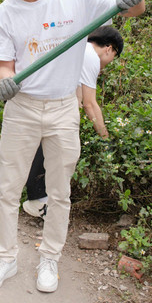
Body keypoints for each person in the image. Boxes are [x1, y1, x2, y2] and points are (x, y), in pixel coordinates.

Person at [0, 0, 145, 293]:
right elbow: (4, 68)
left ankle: (49, 260)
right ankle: (4, 259)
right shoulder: (3, 14)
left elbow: (131, 9)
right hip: (21, 109)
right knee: (9, 189)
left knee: (59, 192)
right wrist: (5, 82)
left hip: (63, 108)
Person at [22, 26, 125, 219]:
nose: (111, 62)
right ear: (109, 49)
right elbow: (90, 104)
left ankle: (36, 198)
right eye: (114, 57)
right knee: (52, 144)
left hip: (33, 95)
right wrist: (105, 139)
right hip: (42, 100)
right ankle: (36, 200)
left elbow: (77, 99)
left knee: (48, 142)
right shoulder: (90, 56)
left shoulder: (80, 50)